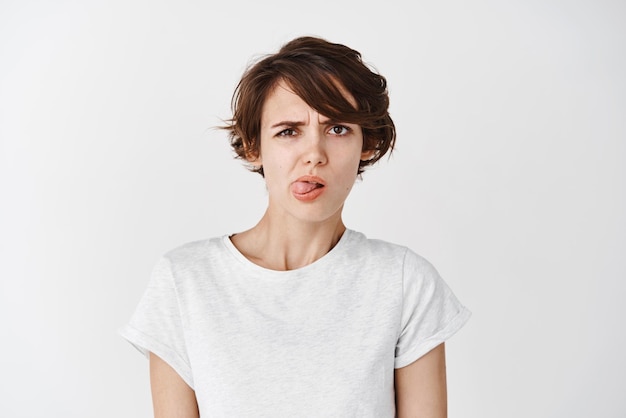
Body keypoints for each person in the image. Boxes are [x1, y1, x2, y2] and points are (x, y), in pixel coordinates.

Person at [120, 35, 471, 417]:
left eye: (337, 129)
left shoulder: (404, 282)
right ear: (254, 145)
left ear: (366, 144)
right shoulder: (184, 281)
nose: (314, 155)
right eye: (288, 131)